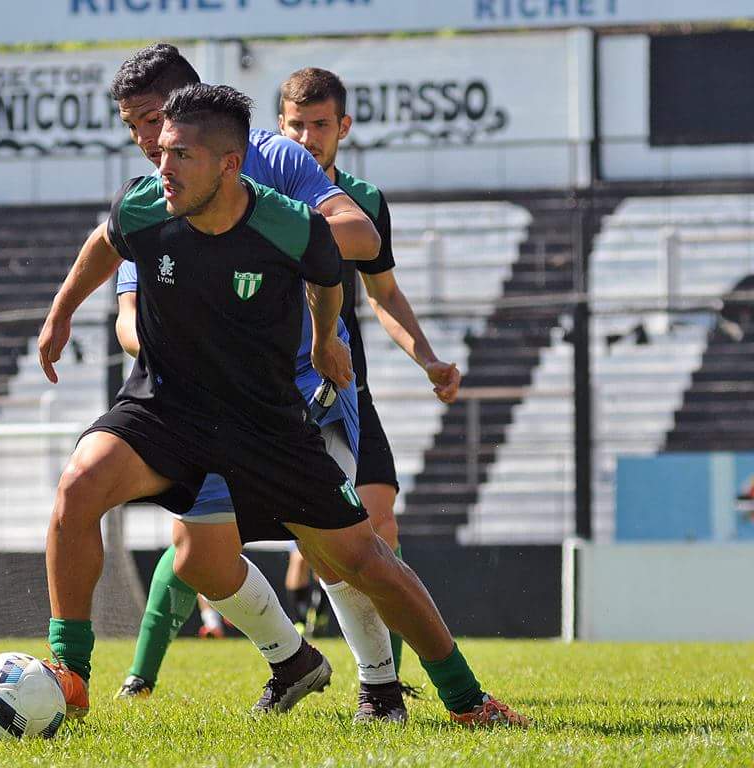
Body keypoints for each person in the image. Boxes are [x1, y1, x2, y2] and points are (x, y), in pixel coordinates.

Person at [39, 82, 529, 729]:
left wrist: (327, 341)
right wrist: (59, 317)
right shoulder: (145, 207)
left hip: (264, 421)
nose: (162, 168)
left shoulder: (286, 224)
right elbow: (103, 244)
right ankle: (70, 676)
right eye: (160, 151)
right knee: (78, 489)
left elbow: (330, 276)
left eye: (180, 155)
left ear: (228, 164)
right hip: (165, 407)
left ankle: (467, 699)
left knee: (362, 558)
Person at [105, 44, 406, 722]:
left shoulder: (274, 163)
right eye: (135, 130)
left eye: (151, 123)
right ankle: (289, 659)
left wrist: (283, 238)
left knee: (342, 542)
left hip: (294, 389)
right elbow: (127, 307)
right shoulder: (156, 195)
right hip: (208, 399)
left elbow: (357, 241)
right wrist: (162, 338)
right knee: (195, 553)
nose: (147, 143)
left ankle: (388, 687)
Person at [277, 67, 465, 685]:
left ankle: (387, 678)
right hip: (270, 389)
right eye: (296, 124)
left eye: (320, 125)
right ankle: (144, 675)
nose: (307, 137)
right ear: (279, 126)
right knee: (197, 543)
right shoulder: (254, 194)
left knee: (376, 523)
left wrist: (428, 357)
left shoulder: (364, 204)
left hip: (340, 389)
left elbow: (383, 294)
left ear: (343, 127)